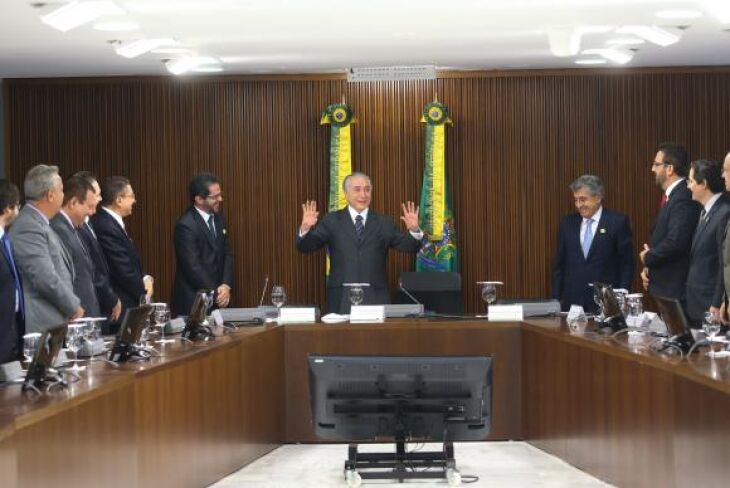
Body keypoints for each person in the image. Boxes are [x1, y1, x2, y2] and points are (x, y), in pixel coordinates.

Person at [297, 172, 422, 313]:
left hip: (376, 297)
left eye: (367, 189)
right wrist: (305, 228)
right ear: (346, 193)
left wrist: (415, 230)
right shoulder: (331, 221)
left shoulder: (383, 222)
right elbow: (305, 247)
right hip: (341, 298)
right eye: (357, 189)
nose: (363, 195)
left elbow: (410, 247)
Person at [10, 164, 83, 333]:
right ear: (50, 195)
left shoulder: (40, 222)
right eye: (62, 190)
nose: (64, 195)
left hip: (55, 321)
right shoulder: (28, 226)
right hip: (43, 324)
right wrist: (73, 306)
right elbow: (45, 277)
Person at [551, 175, 635, 313]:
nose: (579, 205)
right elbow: (559, 266)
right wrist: (555, 299)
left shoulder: (617, 222)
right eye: (576, 200)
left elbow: (627, 263)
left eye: (583, 199)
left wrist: (622, 295)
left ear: (598, 197)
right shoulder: (567, 224)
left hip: (605, 303)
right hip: (573, 303)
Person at [640, 143, 701, 299]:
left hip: (675, 289)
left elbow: (676, 242)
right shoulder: (673, 196)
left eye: (656, 164)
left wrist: (648, 256)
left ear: (669, 169)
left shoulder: (683, 197)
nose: (652, 169)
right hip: (664, 286)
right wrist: (650, 267)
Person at [172, 173, 234, 317]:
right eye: (215, 197)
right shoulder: (186, 226)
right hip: (193, 304)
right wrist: (217, 293)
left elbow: (227, 253)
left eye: (220, 194)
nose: (220, 199)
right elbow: (193, 267)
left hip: (218, 300)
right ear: (199, 199)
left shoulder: (218, 218)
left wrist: (226, 285)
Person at [90, 176, 152, 319]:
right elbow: (122, 269)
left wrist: (145, 277)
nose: (134, 201)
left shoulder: (111, 222)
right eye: (131, 196)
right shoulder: (106, 225)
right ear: (118, 200)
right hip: (119, 308)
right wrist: (144, 295)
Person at [682, 159, 730, 327]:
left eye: (692, 181)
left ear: (704, 184)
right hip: (695, 302)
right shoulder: (705, 211)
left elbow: (723, 263)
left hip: (711, 305)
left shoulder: (724, 213)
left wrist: (717, 302)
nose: (688, 186)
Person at [74, 171, 122, 326]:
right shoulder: (78, 227)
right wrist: (111, 298)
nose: (101, 198)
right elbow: (92, 269)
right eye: (97, 194)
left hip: (100, 302)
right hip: (90, 305)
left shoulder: (90, 222)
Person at [50, 175, 101, 318]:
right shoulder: (59, 229)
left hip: (86, 315)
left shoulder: (74, 228)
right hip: (76, 317)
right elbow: (63, 277)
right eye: (89, 207)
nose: (93, 212)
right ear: (73, 203)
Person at [0, 180, 24, 363]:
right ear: (8, 209)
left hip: (13, 329)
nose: (19, 210)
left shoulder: (6, 239)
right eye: (17, 206)